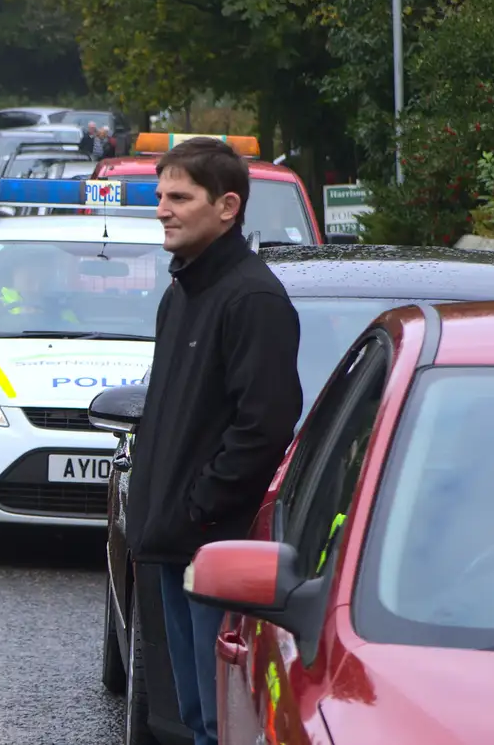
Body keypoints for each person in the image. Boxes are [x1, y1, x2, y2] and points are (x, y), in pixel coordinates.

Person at [124, 137, 302, 745]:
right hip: (174, 546)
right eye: (160, 196)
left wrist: (201, 510)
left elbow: (267, 423)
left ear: (228, 206)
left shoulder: (252, 299)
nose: (163, 210)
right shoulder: (181, 294)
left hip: (213, 553)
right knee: (196, 718)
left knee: (216, 726)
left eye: (180, 197)